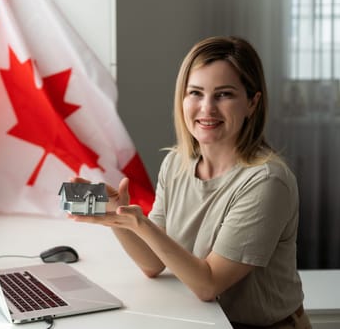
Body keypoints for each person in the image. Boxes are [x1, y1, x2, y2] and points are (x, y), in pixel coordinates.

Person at [69, 36, 312, 329]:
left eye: (224, 94)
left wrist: (141, 225)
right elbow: (153, 263)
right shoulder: (176, 163)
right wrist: (117, 217)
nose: (207, 108)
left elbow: (209, 284)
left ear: (252, 103)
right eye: (195, 93)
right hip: (204, 322)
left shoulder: (267, 182)